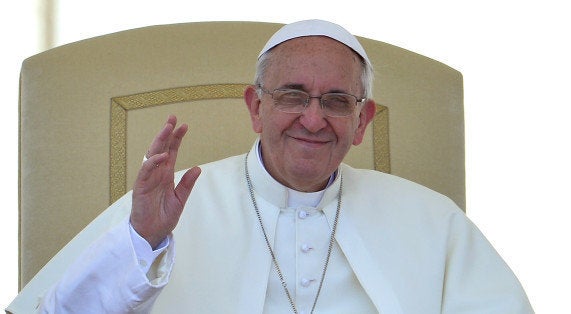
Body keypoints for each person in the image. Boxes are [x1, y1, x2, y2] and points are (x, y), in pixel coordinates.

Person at [8, 19, 533, 313]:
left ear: (362, 120)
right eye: (292, 95)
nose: (313, 118)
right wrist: (139, 245)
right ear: (256, 108)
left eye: (335, 101)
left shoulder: (432, 222)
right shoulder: (165, 212)